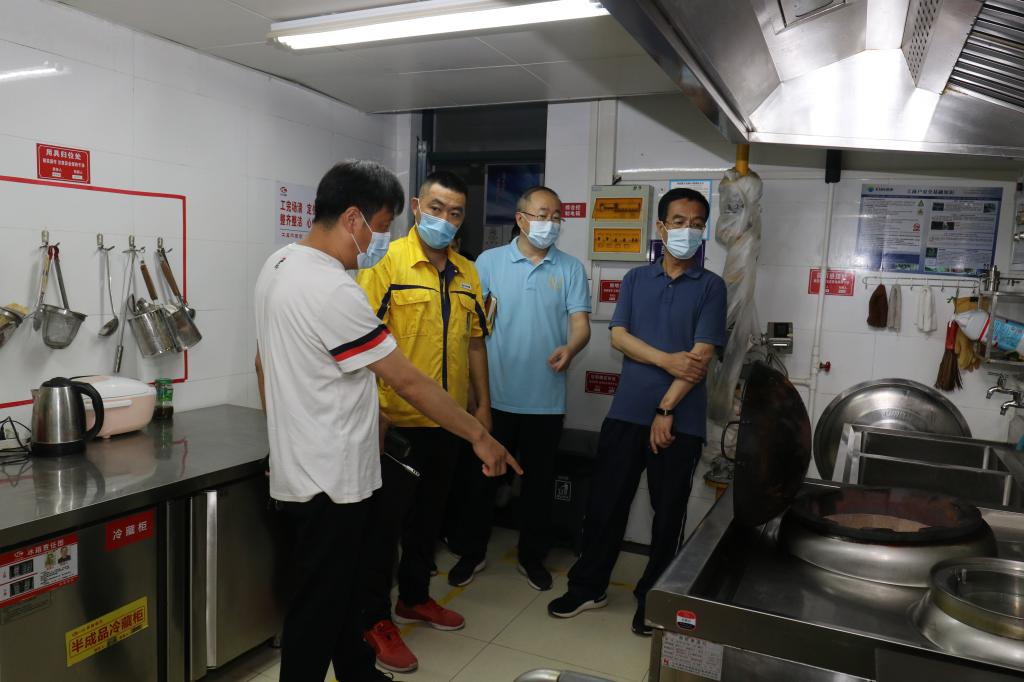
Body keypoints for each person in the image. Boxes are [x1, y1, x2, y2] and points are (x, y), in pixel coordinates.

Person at [254, 160, 519, 682]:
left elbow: (263, 363)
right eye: (380, 225)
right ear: (353, 219)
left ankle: (359, 673)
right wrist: (480, 436)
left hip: (302, 466)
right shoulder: (333, 289)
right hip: (332, 478)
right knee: (318, 607)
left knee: (343, 589)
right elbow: (409, 381)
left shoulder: (279, 264)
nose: (381, 239)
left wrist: (286, 433)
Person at [546, 187, 726, 636]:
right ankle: (588, 587)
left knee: (668, 517)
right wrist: (666, 360)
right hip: (626, 412)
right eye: (679, 222)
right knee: (605, 505)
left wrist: (666, 409)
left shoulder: (711, 286)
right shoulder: (635, 280)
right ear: (661, 227)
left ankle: (654, 600)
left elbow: (700, 357)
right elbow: (618, 336)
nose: (688, 230)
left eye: (697, 224)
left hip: (679, 421)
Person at [356, 171, 493, 674]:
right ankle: (373, 619)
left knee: (428, 522)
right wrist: (372, 414)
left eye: (454, 213)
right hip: (395, 424)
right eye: (436, 208)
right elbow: (360, 345)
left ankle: (414, 597)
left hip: (448, 422)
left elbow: (474, 343)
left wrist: (482, 408)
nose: (444, 220)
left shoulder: (468, 272)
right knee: (382, 528)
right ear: (416, 207)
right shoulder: (385, 264)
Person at [448, 186, 591, 591]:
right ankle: (471, 552)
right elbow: (472, 329)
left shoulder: (570, 269)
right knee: (481, 482)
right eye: (543, 214)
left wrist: (571, 347)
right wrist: (474, 395)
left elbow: (580, 325)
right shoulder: (488, 263)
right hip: (494, 398)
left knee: (538, 487)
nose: (551, 223)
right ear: (521, 218)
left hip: (545, 400)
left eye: (557, 216)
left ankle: (532, 558)